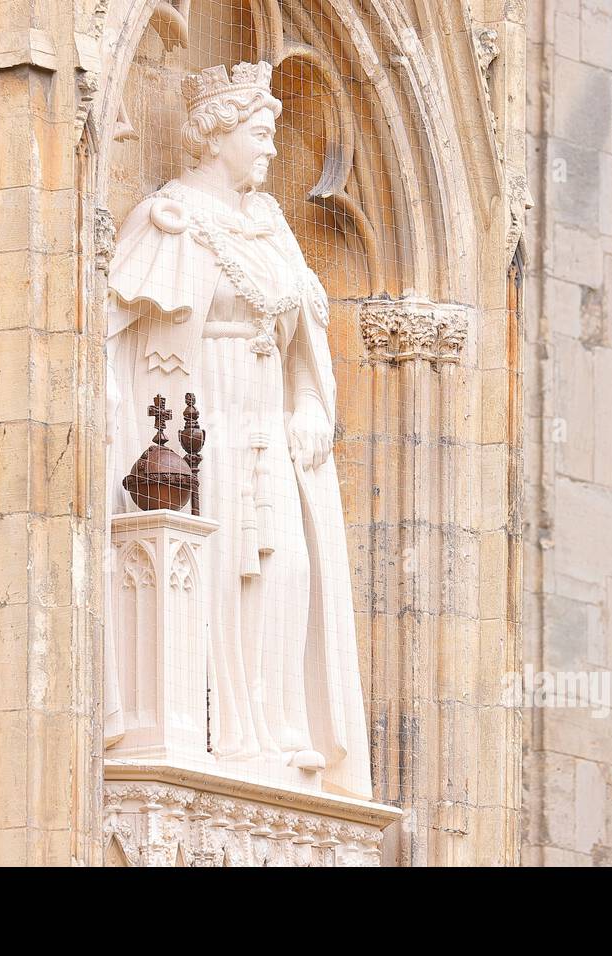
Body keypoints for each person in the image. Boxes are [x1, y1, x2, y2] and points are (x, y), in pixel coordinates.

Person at [103, 61, 371, 799]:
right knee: (212, 565)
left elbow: (306, 342)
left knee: (287, 568)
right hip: (198, 417)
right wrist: (108, 401)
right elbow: (110, 329)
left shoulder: (271, 228)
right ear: (217, 135)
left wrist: (312, 405)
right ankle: (219, 732)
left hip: (266, 423)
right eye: (261, 133)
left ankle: (279, 731)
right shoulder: (171, 218)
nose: (273, 150)